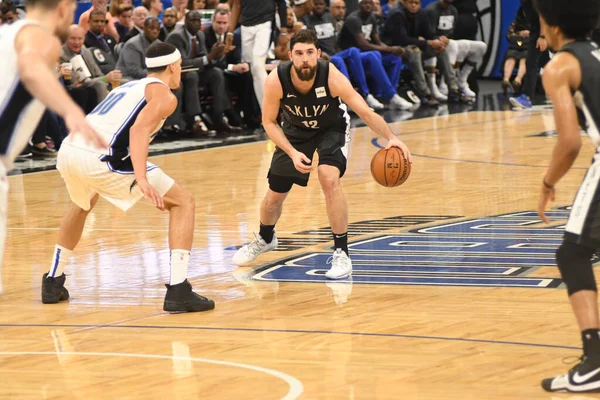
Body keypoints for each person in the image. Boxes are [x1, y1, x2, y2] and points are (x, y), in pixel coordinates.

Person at [42, 42, 215, 313]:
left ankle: (53, 280)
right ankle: (179, 289)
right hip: (100, 157)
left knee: (82, 204)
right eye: (180, 66)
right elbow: (137, 131)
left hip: (70, 150)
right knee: (183, 202)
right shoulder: (165, 96)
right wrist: (141, 177)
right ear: (173, 66)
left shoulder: (126, 87)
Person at [232, 30, 412, 279]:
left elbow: (365, 111)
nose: (304, 58)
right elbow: (269, 122)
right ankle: (265, 238)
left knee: (328, 177)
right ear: (289, 56)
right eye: (298, 53)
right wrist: (292, 152)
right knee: (275, 195)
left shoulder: (332, 76)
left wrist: (391, 137)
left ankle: (341, 253)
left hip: (331, 129)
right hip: (295, 132)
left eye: (309, 53)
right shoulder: (276, 79)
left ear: (317, 54)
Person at [0, 0, 104, 293]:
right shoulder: (39, 37)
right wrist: (70, 111)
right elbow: (31, 67)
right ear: (64, 6)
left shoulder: (8, 33)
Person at [535, 0, 600, 392]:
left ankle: (594, 360)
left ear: (553, 24)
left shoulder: (558, 66)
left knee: (572, 251)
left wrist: (547, 184)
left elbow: (570, 142)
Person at [228, 0, 289, 110]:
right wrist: (230, 31)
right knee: (255, 71)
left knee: (257, 65)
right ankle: (267, 113)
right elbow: (236, 5)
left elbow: (281, 4)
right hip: (245, 25)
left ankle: (272, 111)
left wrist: (283, 31)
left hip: (265, 24)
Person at [509, 0, 547, 109]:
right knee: (545, 63)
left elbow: (543, 14)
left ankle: (527, 97)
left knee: (531, 63)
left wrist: (543, 36)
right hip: (537, 30)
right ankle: (573, 89)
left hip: (542, 31)